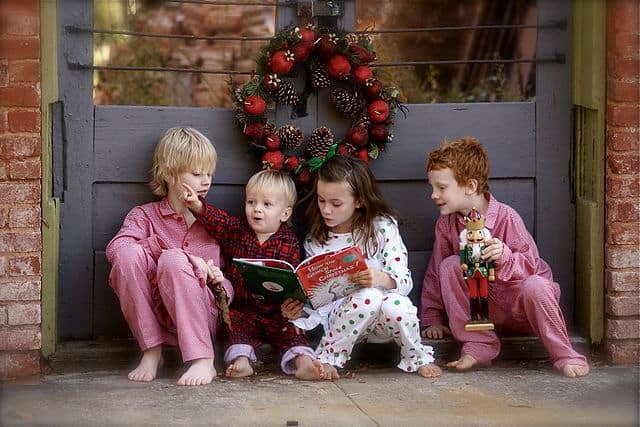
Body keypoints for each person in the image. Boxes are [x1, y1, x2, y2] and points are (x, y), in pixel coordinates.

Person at [421, 136, 590, 378]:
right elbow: (436, 271)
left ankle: (565, 354)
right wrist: (433, 317)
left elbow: (533, 267)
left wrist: (505, 257)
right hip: (483, 310)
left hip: (521, 307)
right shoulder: (447, 224)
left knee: (536, 286)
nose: (433, 195)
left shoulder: (506, 217)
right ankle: (480, 344)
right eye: (433, 187)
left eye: (442, 187)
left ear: (470, 186)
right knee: (449, 265)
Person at [283, 155, 442, 379]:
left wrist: (380, 279)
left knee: (395, 303)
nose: (326, 210)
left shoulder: (382, 228)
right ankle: (329, 357)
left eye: (336, 203)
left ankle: (416, 356)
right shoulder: (316, 240)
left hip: (384, 322)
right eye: (321, 201)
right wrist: (300, 310)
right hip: (342, 322)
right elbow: (317, 301)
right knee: (367, 297)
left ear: (358, 200)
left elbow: (404, 280)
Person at [106, 127, 232, 386]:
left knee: (174, 261)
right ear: (169, 174)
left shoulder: (214, 222)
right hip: (156, 315)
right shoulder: (144, 216)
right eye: (197, 174)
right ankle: (152, 351)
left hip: (202, 313)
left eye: (209, 173)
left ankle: (203, 360)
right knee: (131, 255)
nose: (206, 181)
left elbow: (232, 284)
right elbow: (116, 252)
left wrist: (215, 280)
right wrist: (180, 255)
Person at [182, 169, 333, 380]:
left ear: (285, 214)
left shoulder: (289, 242)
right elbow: (218, 221)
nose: (257, 210)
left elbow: (296, 281)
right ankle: (241, 362)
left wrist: (295, 308)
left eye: (267, 204)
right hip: (245, 311)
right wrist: (197, 205)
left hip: (278, 314)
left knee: (293, 332)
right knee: (231, 326)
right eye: (251, 202)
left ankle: (304, 363)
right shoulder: (238, 231)